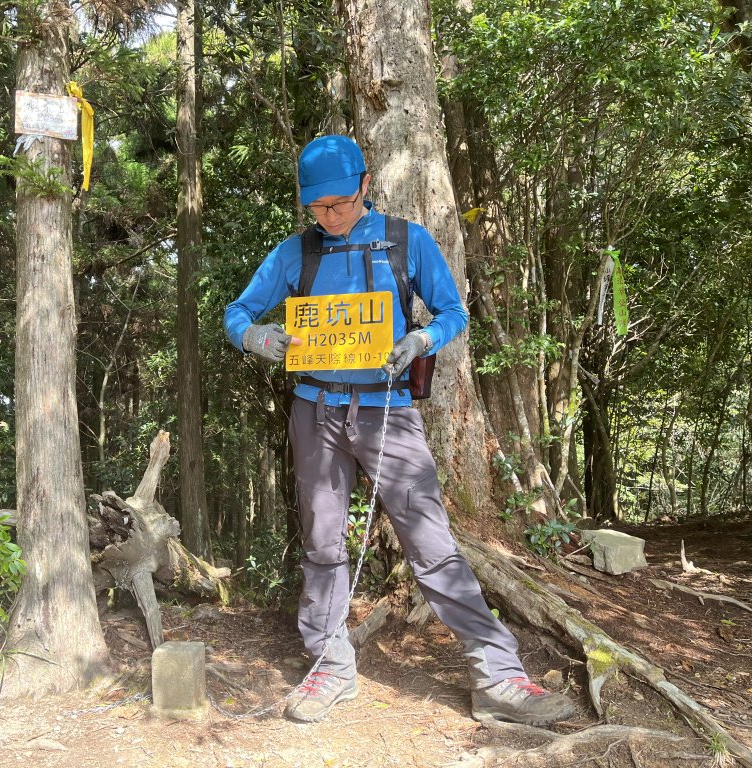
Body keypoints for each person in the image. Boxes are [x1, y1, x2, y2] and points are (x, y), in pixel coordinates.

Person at [223, 135, 576, 726]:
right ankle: (330, 665)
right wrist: (254, 336)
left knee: (431, 541)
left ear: (364, 185)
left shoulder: (406, 242)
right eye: (317, 208)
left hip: (388, 410)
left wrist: (421, 339)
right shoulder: (295, 253)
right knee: (322, 539)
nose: (329, 216)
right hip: (316, 410)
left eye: (338, 203)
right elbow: (238, 312)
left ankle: (497, 675)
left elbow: (453, 312)